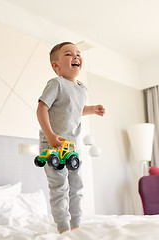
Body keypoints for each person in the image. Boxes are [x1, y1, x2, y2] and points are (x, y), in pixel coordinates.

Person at [37, 42, 105, 234]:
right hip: (53, 144)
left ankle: (76, 225)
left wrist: (92, 109)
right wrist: (50, 135)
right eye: (68, 54)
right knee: (59, 187)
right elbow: (42, 108)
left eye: (78, 54)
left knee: (76, 186)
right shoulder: (56, 84)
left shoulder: (82, 89)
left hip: (72, 146)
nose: (76, 57)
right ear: (56, 65)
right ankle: (64, 229)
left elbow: (73, 109)